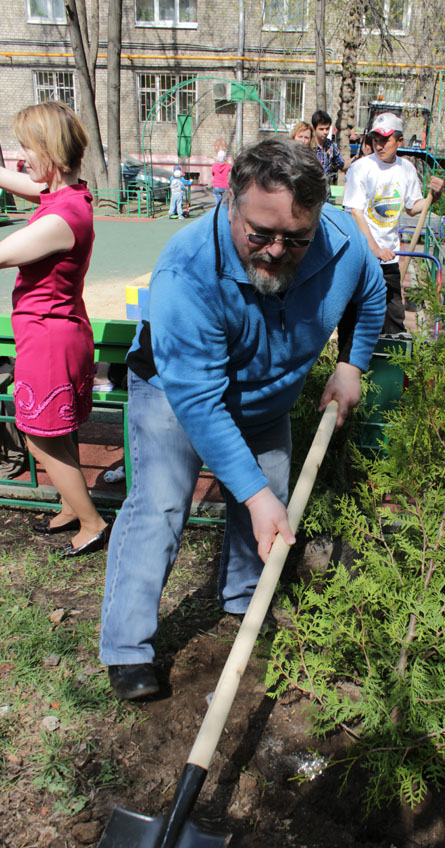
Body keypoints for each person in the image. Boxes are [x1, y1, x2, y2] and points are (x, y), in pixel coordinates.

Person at [100, 137, 386, 700]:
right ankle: (128, 649)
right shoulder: (188, 271)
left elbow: (370, 294)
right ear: (230, 202)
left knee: (268, 497)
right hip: (176, 396)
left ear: (318, 218)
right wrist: (253, 494)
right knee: (160, 502)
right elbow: (200, 404)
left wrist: (352, 365)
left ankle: (243, 599)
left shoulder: (343, 244)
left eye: (295, 238)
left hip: (268, 399)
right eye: (260, 233)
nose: (276, 251)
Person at [0, 101, 110, 557]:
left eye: (28, 147)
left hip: (49, 338)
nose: (21, 157)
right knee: (55, 429)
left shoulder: (60, 219)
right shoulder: (69, 195)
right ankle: (71, 504)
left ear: (53, 152)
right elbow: (27, 185)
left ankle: (91, 521)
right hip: (57, 331)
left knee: (39, 434)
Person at [343, 112, 444, 335]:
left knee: (393, 318)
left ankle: (389, 365)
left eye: (385, 140)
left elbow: (412, 207)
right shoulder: (361, 168)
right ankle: (350, 364)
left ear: (399, 141)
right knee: (355, 317)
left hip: (390, 258)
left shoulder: (406, 169)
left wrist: (432, 198)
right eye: (375, 139)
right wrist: (375, 249)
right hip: (362, 256)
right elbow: (356, 213)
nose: (379, 145)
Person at [311, 109, 349, 184]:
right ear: (314, 129)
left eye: (327, 129)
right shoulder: (308, 145)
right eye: (321, 129)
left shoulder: (331, 146)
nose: (325, 132)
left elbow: (342, 165)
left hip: (326, 188)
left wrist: (357, 156)